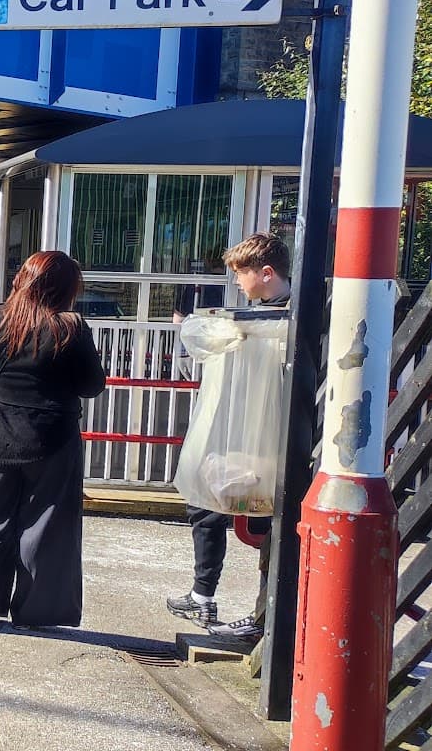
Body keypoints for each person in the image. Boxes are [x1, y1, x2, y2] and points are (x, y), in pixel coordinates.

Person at [0, 251, 107, 629]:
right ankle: (36, 613)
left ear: (23, 278)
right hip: (52, 440)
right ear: (67, 290)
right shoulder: (71, 327)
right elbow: (92, 386)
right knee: (45, 525)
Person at [166, 233, 291, 640]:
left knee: (273, 526)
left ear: (266, 273)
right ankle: (215, 599)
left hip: (273, 440)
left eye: (242, 274)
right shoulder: (272, 314)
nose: (237, 282)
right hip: (256, 434)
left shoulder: (282, 318)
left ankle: (260, 619)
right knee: (211, 502)